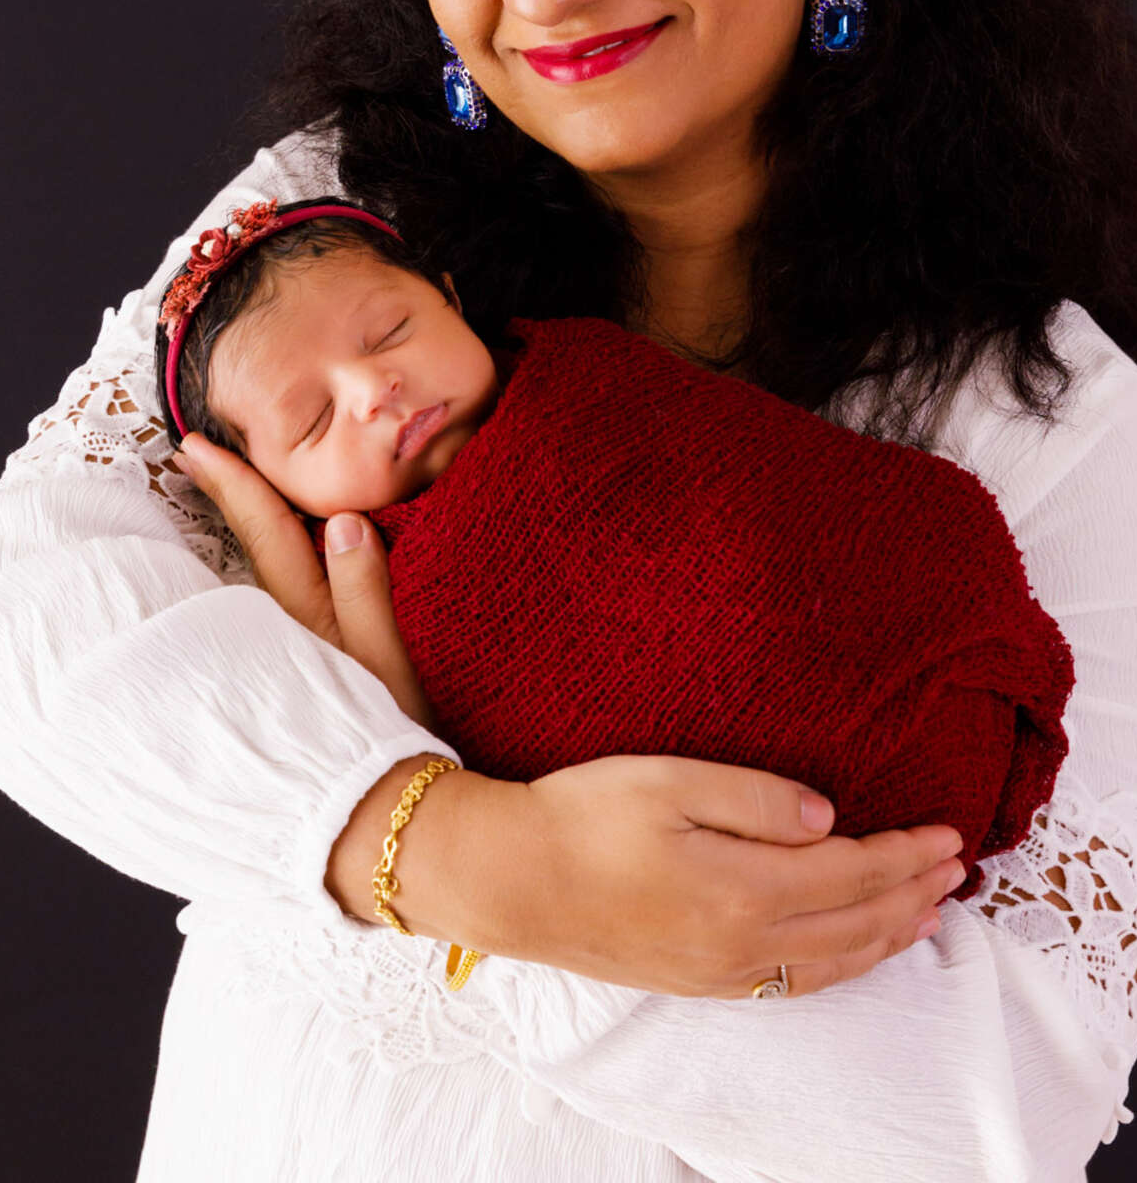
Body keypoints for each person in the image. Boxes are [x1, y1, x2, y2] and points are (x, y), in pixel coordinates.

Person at [0, 0, 1137, 1181]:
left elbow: (991, 1112)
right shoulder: (335, 235)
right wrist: (459, 849)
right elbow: (16, 632)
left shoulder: (1032, 405)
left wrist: (459, 835)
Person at [153, 191, 1074, 924]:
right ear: (266, 492)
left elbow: (755, 492)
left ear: (449, 295)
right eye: (312, 420)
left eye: (391, 331)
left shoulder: (586, 373)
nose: (373, 389)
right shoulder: (361, 592)